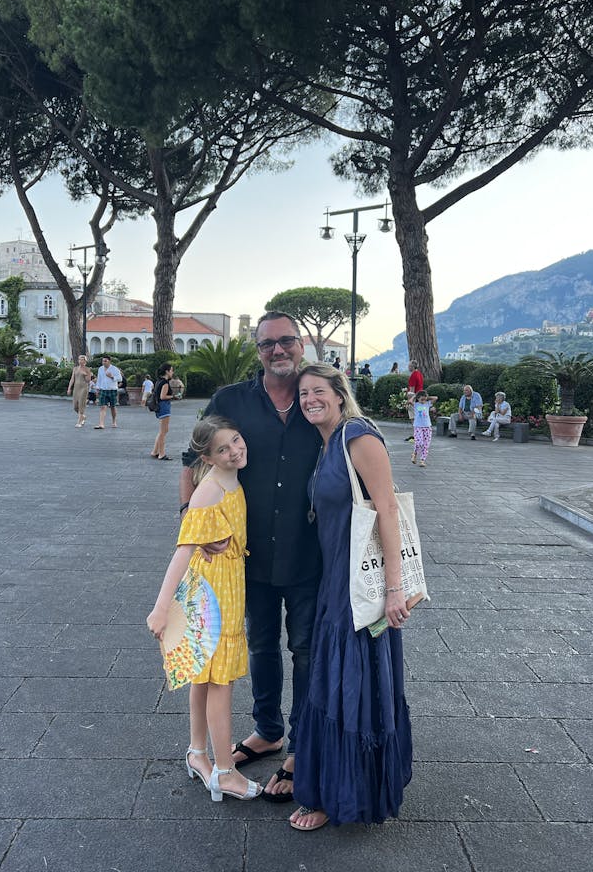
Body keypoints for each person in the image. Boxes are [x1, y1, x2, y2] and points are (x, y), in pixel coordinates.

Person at [179, 311, 321, 804]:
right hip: (247, 560)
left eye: (286, 341)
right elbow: (191, 461)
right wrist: (192, 519)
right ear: (256, 349)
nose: (278, 350)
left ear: (301, 345)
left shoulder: (317, 398)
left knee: (304, 651)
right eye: (268, 344)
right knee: (260, 646)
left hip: (309, 557)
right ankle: (268, 730)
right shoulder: (231, 402)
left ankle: (300, 748)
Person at [289, 363, 412, 831]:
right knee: (340, 684)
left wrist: (395, 587)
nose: (309, 400)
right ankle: (339, 788)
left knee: (347, 686)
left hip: (361, 586)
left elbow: (389, 509)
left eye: (318, 391)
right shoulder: (325, 445)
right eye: (303, 394)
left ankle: (341, 794)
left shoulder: (358, 436)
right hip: (334, 583)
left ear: (340, 395)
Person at [147, 416, 262, 803]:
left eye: (236, 441)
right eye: (223, 450)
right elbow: (184, 550)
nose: (234, 451)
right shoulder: (210, 489)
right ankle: (225, 772)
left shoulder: (229, 477)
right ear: (207, 457)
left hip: (222, 583)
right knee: (219, 683)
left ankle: (198, 754)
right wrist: (161, 609)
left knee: (203, 675)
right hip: (213, 592)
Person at [408, 389, 438, 467]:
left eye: (424, 399)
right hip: (418, 426)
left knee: (426, 444)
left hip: (427, 426)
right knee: (419, 442)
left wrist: (427, 397)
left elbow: (436, 398)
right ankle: (414, 453)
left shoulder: (427, 404)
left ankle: (422, 460)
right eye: (421, 399)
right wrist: (415, 396)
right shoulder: (416, 404)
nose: (423, 400)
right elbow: (410, 401)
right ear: (418, 399)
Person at [150, 363, 175, 459]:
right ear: (167, 371)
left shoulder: (158, 381)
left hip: (160, 407)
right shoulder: (165, 383)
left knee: (163, 430)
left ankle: (155, 451)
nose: (172, 372)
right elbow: (163, 396)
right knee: (163, 432)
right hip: (164, 407)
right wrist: (173, 396)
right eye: (171, 370)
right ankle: (162, 453)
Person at [93, 355, 123, 429]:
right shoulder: (100, 369)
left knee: (113, 406)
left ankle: (114, 421)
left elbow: (120, 379)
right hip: (103, 389)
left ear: (109, 361)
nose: (104, 362)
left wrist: (112, 376)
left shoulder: (114, 369)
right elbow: (99, 379)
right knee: (103, 406)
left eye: (105, 361)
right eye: (103, 361)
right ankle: (101, 424)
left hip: (112, 389)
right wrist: (97, 388)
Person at [66, 354, 93, 427]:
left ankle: (79, 422)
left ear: (85, 361)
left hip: (84, 388)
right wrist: (69, 388)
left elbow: (88, 380)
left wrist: (85, 374)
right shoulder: (75, 368)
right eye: (79, 359)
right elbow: (72, 379)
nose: (80, 361)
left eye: (82, 359)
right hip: (76, 388)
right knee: (75, 406)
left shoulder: (87, 369)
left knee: (81, 404)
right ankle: (83, 416)